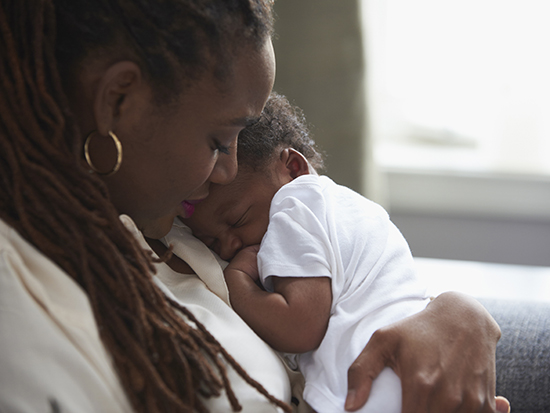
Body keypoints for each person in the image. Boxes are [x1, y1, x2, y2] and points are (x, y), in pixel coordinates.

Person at [0, 1, 510, 413]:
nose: (225, 173)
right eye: (219, 141)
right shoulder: (26, 298)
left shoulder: (175, 222)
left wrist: (455, 314)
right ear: (119, 101)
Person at [182, 92, 433, 412]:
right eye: (211, 241)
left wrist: (237, 281)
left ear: (293, 168)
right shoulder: (344, 206)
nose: (229, 245)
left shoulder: (297, 204)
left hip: (380, 388)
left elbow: (299, 327)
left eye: (237, 219)